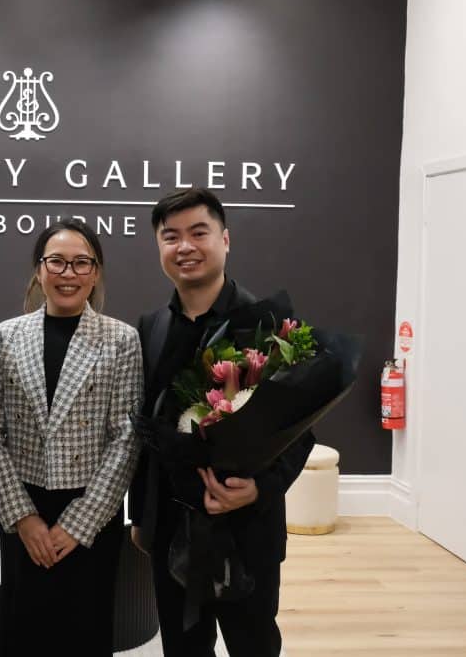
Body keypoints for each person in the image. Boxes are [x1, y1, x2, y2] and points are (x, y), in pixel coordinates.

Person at [129, 188, 314, 657]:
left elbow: (302, 430)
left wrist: (260, 488)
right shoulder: (150, 327)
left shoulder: (270, 323)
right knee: (182, 647)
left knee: (253, 644)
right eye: (170, 237)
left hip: (246, 524)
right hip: (171, 527)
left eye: (198, 233)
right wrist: (141, 517)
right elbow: (145, 434)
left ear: (225, 240)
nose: (184, 247)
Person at [0, 219, 143, 656]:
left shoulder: (121, 340)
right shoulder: (6, 337)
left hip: (91, 511)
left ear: (96, 271)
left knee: (84, 627)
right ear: (39, 270)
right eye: (57, 262)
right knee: (23, 625)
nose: (68, 273)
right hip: (24, 506)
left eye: (81, 263)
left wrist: (78, 524)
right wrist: (24, 519)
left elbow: (125, 439)